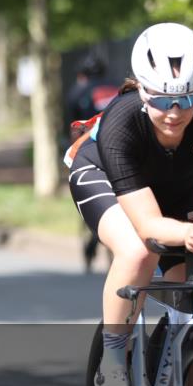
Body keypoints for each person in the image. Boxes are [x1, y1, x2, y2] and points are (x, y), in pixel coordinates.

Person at [67, 23, 193, 386]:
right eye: (163, 100)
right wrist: (187, 232)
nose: (174, 113)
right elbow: (148, 226)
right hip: (103, 175)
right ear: (143, 90)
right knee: (137, 252)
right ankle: (113, 370)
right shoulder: (121, 122)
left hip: (177, 187)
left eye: (186, 99)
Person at [65, 54, 119, 271]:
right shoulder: (117, 89)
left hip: (90, 153)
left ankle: (93, 241)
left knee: (94, 199)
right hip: (120, 149)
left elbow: (71, 129)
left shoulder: (77, 92)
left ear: (81, 75)